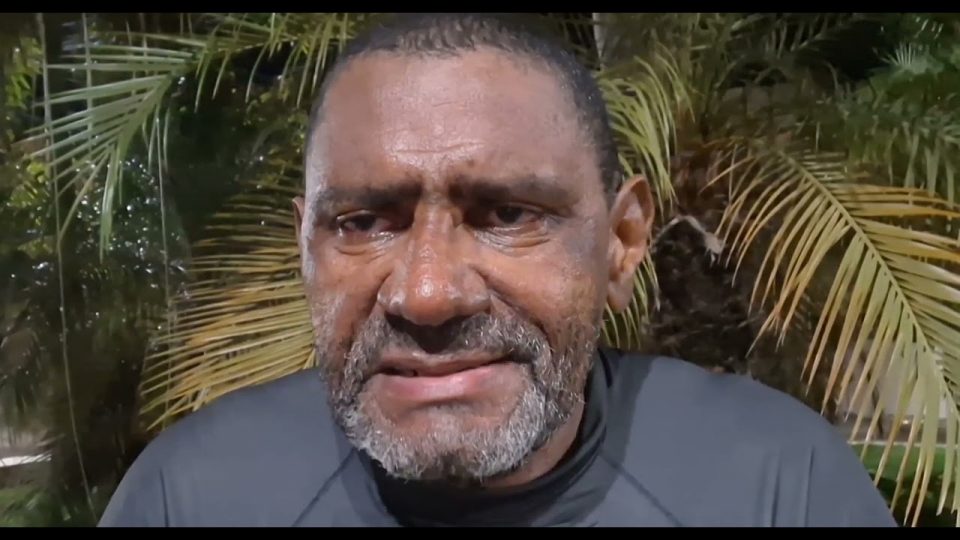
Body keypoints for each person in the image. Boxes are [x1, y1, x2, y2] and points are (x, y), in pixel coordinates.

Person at [98, 13, 897, 527]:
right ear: (305, 249)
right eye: (364, 222)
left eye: (509, 215)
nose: (427, 294)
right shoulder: (191, 498)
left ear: (621, 242)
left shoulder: (781, 487)